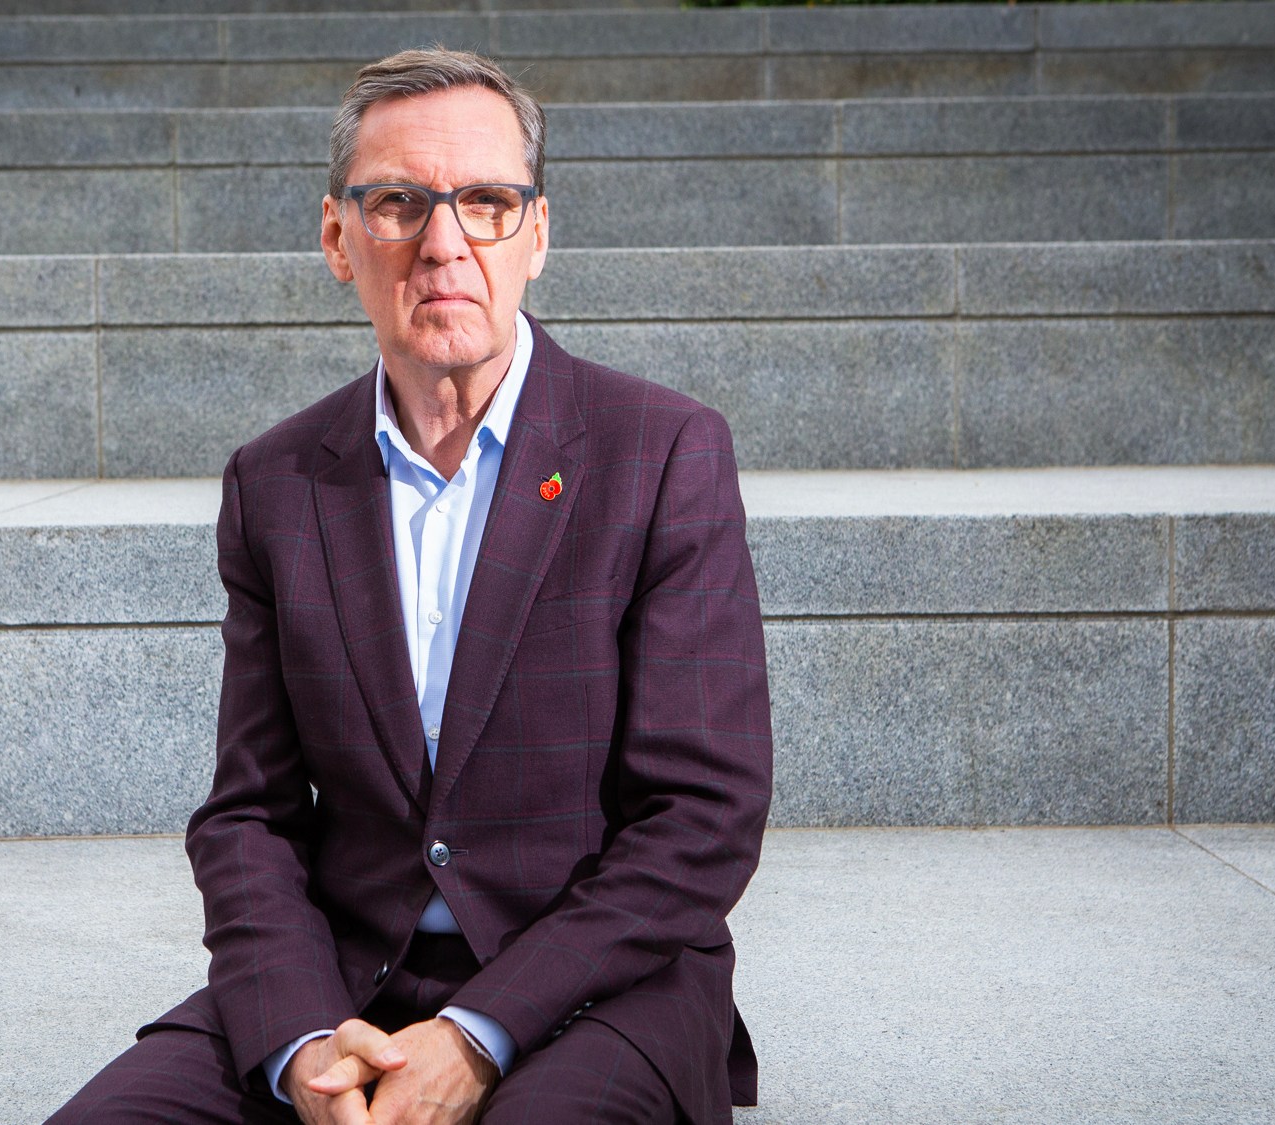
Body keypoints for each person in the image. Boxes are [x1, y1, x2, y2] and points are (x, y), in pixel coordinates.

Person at [46, 48, 772, 1125]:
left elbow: (700, 819)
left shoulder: (661, 453)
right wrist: (299, 1045)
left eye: (484, 202)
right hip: (340, 983)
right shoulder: (276, 481)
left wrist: (475, 1040)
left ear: (537, 233)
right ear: (338, 238)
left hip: (593, 988)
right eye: (397, 203)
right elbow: (247, 815)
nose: (443, 244)